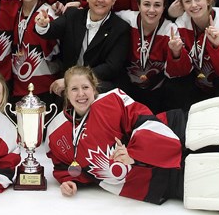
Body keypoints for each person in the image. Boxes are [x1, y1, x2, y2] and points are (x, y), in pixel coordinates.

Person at [45, 66, 182, 203]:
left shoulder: (112, 101)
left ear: (94, 89)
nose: (81, 94)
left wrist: (134, 154)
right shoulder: (57, 130)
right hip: (154, 183)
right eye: (74, 89)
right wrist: (69, 181)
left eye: (85, 87)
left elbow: (145, 121)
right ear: (67, 94)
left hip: (175, 136)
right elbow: (64, 166)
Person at [35, 0, 130, 94]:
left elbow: (111, 67)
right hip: (68, 88)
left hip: (101, 88)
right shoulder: (73, 15)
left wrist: (73, 81)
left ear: (114, 0)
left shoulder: (120, 28)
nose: (100, 0)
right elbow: (51, 30)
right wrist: (43, 25)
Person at [115, 0, 179, 112]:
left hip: (158, 93)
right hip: (127, 90)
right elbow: (102, 13)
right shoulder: (126, 19)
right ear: (138, 5)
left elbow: (175, 72)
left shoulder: (170, 30)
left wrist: (176, 53)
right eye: (146, 4)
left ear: (164, 7)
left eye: (157, 5)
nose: (151, 10)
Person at [11, 0, 60, 102]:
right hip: (17, 87)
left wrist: (45, 28)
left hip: (45, 87)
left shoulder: (48, 13)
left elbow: (55, 53)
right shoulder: (14, 11)